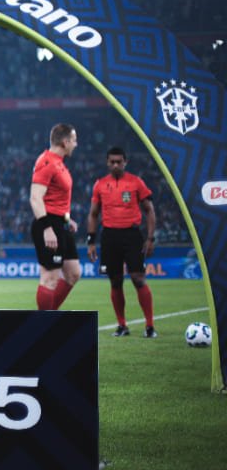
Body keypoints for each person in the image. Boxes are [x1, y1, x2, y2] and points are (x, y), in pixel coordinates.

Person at [86, 147, 158, 337]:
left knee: (138, 279)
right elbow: (93, 214)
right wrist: (91, 241)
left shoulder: (136, 183)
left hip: (132, 236)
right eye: (112, 161)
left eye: (119, 161)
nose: (116, 165)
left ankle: (150, 326)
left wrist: (151, 238)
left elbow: (150, 211)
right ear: (107, 163)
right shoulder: (100, 185)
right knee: (115, 282)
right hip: (109, 237)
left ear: (125, 162)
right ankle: (122, 325)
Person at [30, 123, 80, 310]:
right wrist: (47, 229)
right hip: (48, 225)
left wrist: (67, 219)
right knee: (50, 277)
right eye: (74, 140)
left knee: (73, 273)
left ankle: (50, 317)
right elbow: (35, 198)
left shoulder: (60, 164)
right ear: (65, 142)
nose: (76, 144)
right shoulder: (47, 162)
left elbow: (56, 201)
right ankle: (44, 324)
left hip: (60, 223)